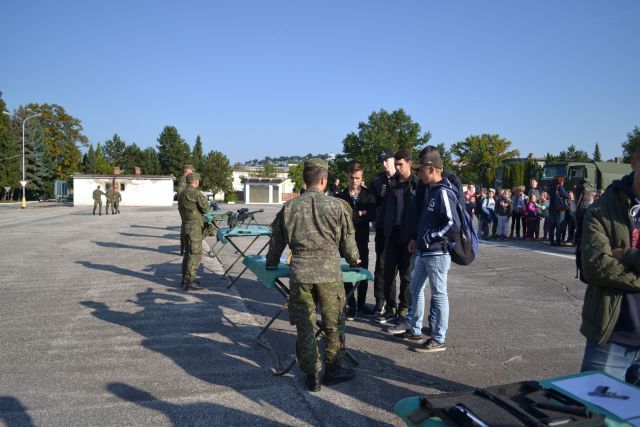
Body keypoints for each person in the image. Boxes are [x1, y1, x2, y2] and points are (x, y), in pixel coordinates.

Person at [265, 158, 360, 392]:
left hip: (301, 276)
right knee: (333, 324)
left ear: (304, 179)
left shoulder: (290, 207)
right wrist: (354, 260)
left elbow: (276, 243)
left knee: (305, 326)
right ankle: (333, 368)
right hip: (329, 276)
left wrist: (271, 263)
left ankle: (312, 375)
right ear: (324, 179)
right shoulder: (337, 206)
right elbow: (349, 243)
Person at [579, 146, 640, 381]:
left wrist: (627, 256)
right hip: (612, 337)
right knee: (595, 404)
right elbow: (597, 267)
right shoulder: (602, 209)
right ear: (634, 161)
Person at [390, 151, 460, 353]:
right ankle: (415, 329)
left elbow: (453, 224)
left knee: (439, 294)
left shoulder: (444, 192)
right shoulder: (433, 190)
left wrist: (430, 237)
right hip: (424, 251)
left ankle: (438, 339)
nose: (419, 173)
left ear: (432, 169)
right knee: (415, 288)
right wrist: (419, 238)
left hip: (436, 253)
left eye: (421, 170)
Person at [376, 149, 421, 325]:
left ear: (409, 163)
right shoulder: (391, 183)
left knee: (406, 276)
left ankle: (404, 309)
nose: (397, 167)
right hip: (392, 234)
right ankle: (390, 308)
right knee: (388, 273)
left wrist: (415, 236)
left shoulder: (418, 184)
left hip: (408, 235)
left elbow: (419, 212)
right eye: (396, 164)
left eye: (400, 164)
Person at [338, 163, 376, 319]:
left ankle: (361, 304)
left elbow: (371, 215)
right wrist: (359, 213)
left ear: (362, 178)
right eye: (352, 178)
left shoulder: (368, 195)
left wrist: (353, 215)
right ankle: (351, 304)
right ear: (347, 177)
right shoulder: (341, 196)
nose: (354, 181)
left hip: (361, 240)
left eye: (357, 178)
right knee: (346, 274)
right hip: (345, 241)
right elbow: (340, 218)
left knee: (362, 272)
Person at [369, 151, 397, 316]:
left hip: (400, 231)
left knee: (400, 272)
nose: (384, 164)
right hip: (382, 230)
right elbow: (372, 203)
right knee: (380, 267)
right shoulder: (378, 181)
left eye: (387, 160)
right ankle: (380, 303)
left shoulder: (404, 179)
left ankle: (395, 306)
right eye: (382, 161)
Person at [178, 172, 210, 291]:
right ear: (196, 181)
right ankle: (190, 281)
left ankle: (185, 278)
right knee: (195, 254)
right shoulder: (196, 193)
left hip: (185, 226)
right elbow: (206, 209)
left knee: (187, 254)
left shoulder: (181, 194)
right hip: (194, 228)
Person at [177, 165, 194, 256]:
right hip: (185, 207)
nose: (193, 173)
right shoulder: (184, 179)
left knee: (185, 226)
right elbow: (180, 194)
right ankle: (185, 248)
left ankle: (184, 248)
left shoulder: (186, 179)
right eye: (192, 171)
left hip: (185, 206)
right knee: (186, 227)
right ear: (187, 171)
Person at [549, 176, 569, 246]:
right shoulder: (560, 187)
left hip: (552, 208)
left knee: (552, 225)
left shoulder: (551, 187)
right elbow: (566, 196)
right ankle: (558, 241)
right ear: (561, 181)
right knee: (559, 225)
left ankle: (551, 241)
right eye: (563, 181)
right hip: (559, 209)